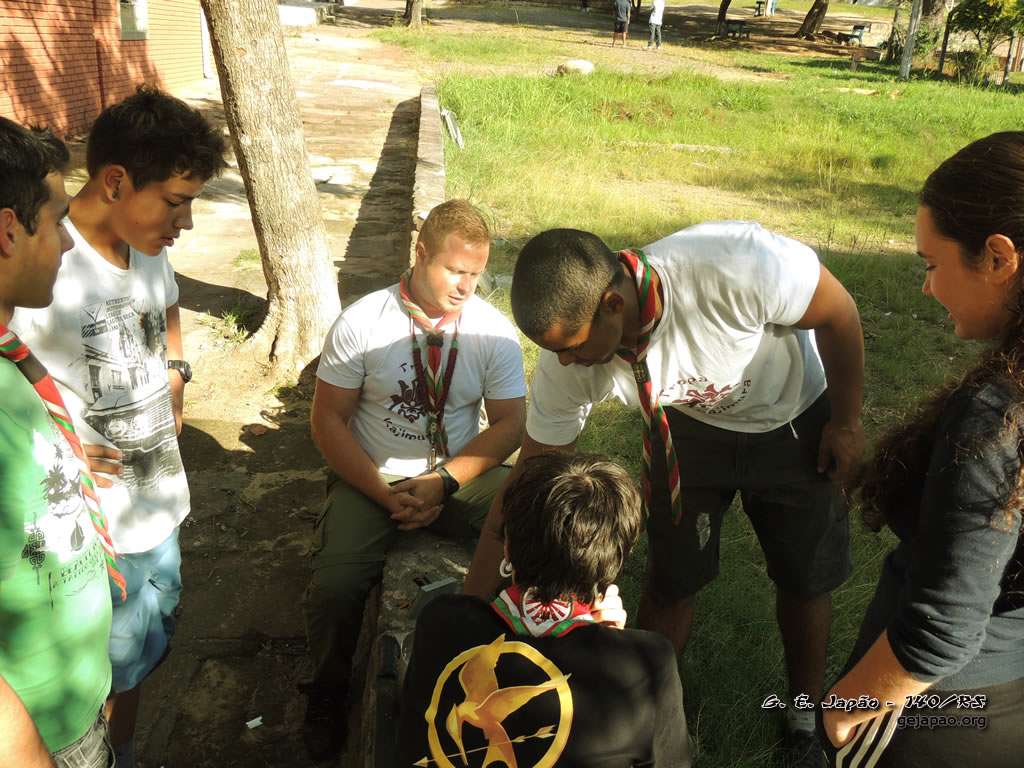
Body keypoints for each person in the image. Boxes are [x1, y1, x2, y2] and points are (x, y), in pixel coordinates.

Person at [463, 222, 866, 767]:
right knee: (672, 575)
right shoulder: (569, 357)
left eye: (572, 348)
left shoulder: (734, 266)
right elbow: (528, 488)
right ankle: (645, 714)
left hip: (791, 417)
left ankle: (803, 719)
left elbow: (840, 312)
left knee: (804, 573)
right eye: (553, 352)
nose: (564, 363)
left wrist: (846, 422)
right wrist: (467, 614)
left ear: (612, 304)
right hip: (685, 427)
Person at [10, 86, 228, 768]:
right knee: (99, 676)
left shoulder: (148, 245)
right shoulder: (40, 268)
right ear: (114, 182)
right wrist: (64, 445)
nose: (185, 222)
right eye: (175, 201)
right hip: (93, 532)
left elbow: (168, 306)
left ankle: (123, 752)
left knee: (139, 661)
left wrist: (177, 373)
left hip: (159, 505)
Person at [822, 132, 1024, 768]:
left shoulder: (998, 416)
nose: (926, 288)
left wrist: (843, 711)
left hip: (939, 712)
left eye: (931, 264)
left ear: (999, 257)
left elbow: (943, 625)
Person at [301, 199, 526, 760]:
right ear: (420, 252)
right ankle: (327, 690)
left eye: (476, 274)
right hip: (373, 476)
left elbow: (512, 423)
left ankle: (519, 659)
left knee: (533, 520)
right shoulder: (363, 322)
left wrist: (445, 481)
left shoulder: (492, 332)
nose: (467, 287)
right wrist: (381, 492)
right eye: (455, 270)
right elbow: (327, 421)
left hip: (456, 475)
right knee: (334, 585)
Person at [398, 452, 693, 767]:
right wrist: (610, 644)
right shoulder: (648, 664)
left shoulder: (442, 620)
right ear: (614, 562)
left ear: (507, 546)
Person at [1, 117, 117, 767]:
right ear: (8, 231)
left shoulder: (9, 360)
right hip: (40, 737)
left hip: (74, 698)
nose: (69, 242)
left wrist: (65, 468)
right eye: (56, 220)